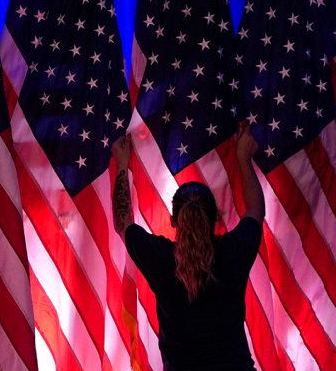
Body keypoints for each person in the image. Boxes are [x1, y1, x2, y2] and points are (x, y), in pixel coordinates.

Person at [112, 123, 264, 371]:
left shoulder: (161, 259)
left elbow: (123, 222)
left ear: (173, 221)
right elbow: (256, 210)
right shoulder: (234, 252)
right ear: (216, 218)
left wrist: (121, 164)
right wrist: (243, 158)